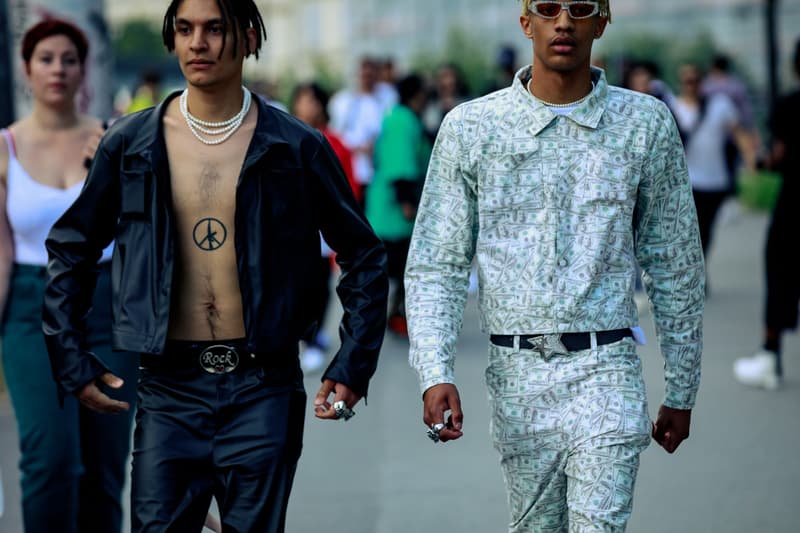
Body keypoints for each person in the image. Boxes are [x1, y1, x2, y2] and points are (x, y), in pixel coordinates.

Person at [41, 1, 388, 531]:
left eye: (213, 29)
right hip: (168, 387)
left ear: (248, 38)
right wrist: (71, 356)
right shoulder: (131, 143)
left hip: (263, 385)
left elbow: (363, 255)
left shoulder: (294, 146)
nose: (197, 43)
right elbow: (72, 247)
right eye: (184, 30)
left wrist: (352, 363)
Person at [405, 1, 705, 531]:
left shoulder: (643, 124)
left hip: (608, 368)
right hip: (517, 378)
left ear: (600, 21)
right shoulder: (472, 128)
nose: (563, 21)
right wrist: (435, 371)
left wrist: (682, 389)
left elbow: (674, 261)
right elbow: (437, 262)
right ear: (527, 22)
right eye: (547, 7)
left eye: (580, 7)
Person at [0, 19, 138, 533]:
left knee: (104, 467)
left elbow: (139, 236)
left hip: (107, 303)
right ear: (26, 70)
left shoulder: (113, 139)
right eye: (46, 58)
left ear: (84, 71)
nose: (58, 69)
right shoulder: (5, 147)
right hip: (29, 310)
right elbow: (2, 254)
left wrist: (113, 174)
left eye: (69, 59)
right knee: (50, 460)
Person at [734, 37, 800, 390]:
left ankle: (770, 358)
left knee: (781, 275)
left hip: (793, 207)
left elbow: (777, 156)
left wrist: (757, 159)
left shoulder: (790, 105)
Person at [290, 81, 360, 372]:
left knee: (320, 287)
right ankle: (305, 336)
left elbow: (349, 188)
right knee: (296, 286)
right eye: (303, 100)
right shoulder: (283, 138)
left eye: (313, 100)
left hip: (322, 229)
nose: (308, 106)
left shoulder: (334, 142)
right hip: (291, 229)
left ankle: (313, 338)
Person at [366, 74, 432, 338]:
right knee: (402, 269)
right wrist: (407, 202)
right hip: (394, 212)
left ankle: (396, 315)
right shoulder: (403, 120)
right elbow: (400, 164)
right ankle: (394, 317)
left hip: (390, 208)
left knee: (401, 271)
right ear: (416, 95)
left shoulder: (399, 117)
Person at [669, 63, 756, 260]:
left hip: (715, 180)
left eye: (696, 81)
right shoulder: (674, 107)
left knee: (706, 230)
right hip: (687, 181)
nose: (692, 85)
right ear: (681, 84)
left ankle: (700, 265)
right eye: (687, 81)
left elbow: (738, 133)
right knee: (690, 229)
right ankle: (693, 268)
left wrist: (750, 159)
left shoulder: (720, 105)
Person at [328, 56, 387, 203]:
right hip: (352, 168)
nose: (367, 78)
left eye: (371, 74)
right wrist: (357, 147)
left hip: (377, 168)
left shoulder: (386, 98)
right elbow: (336, 133)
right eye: (364, 74)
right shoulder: (343, 101)